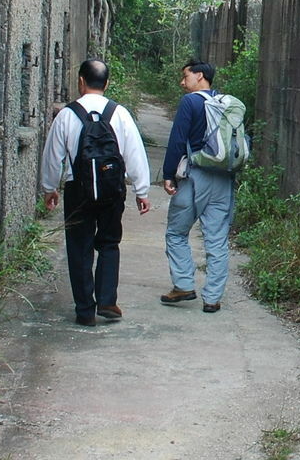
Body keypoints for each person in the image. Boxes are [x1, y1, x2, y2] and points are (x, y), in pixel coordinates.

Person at [40, 58, 150, 326]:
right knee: (110, 243)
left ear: (80, 81)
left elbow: (53, 157)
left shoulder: (67, 114)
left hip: (79, 189)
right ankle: (107, 300)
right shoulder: (120, 113)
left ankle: (85, 310)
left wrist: (49, 188)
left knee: (79, 248)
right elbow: (135, 153)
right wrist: (141, 190)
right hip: (112, 189)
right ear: (107, 83)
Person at [160, 60, 236, 313]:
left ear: (199, 76)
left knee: (176, 233)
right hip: (223, 178)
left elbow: (177, 140)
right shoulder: (226, 103)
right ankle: (213, 298)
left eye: (185, 77)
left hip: (195, 177)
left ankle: (183, 284)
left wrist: (169, 174)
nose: (183, 83)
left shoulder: (190, 102)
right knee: (216, 239)